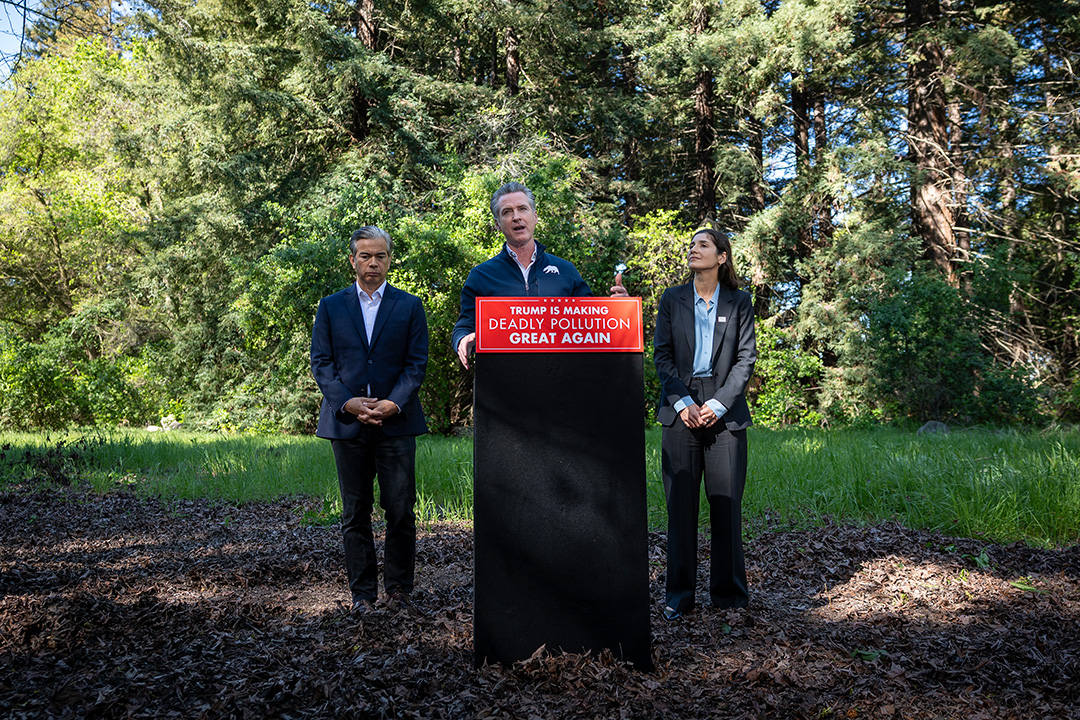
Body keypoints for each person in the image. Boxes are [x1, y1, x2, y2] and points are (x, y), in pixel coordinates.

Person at [311, 226, 429, 614]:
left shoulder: (409, 306)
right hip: (347, 424)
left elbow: (416, 365)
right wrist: (347, 403)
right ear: (353, 260)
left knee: (400, 509)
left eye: (380, 256)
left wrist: (394, 403)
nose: (372, 263)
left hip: (396, 422)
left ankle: (399, 592)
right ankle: (362, 596)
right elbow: (322, 364)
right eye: (365, 256)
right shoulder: (330, 306)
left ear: (389, 259)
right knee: (354, 513)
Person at [653, 227, 757, 621]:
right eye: (692, 245)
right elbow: (661, 356)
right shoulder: (671, 299)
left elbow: (745, 360)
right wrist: (682, 402)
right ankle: (679, 597)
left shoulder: (740, 301)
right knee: (681, 508)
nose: (693, 249)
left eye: (703, 245)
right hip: (680, 403)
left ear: (722, 257)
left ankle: (729, 598)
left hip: (725, 408)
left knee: (726, 507)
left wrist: (716, 404)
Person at [451, 181, 628, 368]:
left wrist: (619, 311)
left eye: (522, 209)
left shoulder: (566, 270)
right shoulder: (481, 275)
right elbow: (464, 326)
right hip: (504, 388)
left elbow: (592, 325)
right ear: (497, 224)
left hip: (561, 384)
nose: (516, 217)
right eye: (507, 212)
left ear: (535, 216)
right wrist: (462, 340)